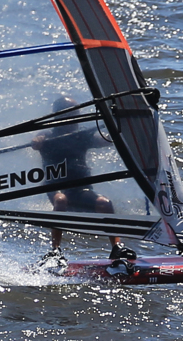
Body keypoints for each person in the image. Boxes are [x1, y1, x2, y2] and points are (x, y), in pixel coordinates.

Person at [32, 96, 136, 269]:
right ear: (59, 115)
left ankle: (116, 247)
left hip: (80, 188)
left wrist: (120, 129)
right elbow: (36, 143)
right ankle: (55, 250)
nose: (77, 118)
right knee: (61, 200)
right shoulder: (48, 135)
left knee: (105, 203)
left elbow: (105, 141)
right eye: (73, 114)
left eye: (78, 114)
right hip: (55, 186)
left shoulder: (81, 135)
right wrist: (37, 140)